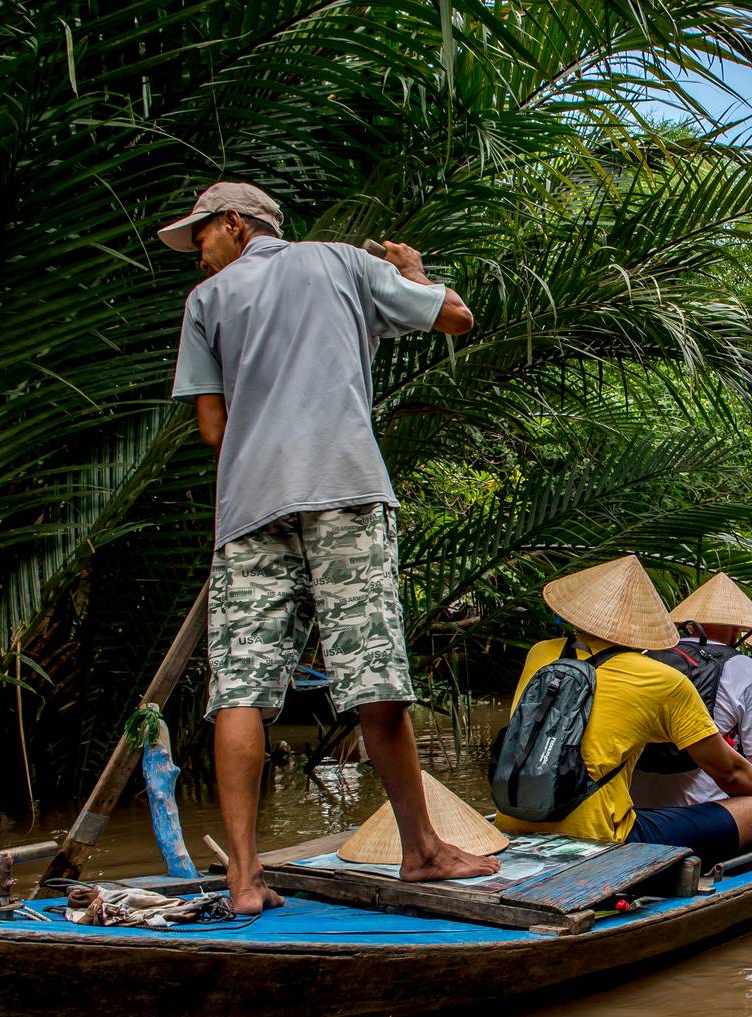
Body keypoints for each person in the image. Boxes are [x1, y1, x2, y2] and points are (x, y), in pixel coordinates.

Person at [161, 181, 501, 913]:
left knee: (241, 686)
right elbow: (455, 316)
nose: (198, 257)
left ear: (234, 224)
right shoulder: (341, 263)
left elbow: (214, 432)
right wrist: (409, 271)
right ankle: (424, 850)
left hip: (249, 507)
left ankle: (245, 875)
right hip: (342, 486)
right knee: (373, 669)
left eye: (201, 240)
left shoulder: (207, 305)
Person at [496, 556, 752, 865]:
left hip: (514, 815)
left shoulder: (542, 654)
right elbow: (732, 772)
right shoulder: (659, 679)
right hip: (602, 836)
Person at [630, 572, 752, 813]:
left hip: (636, 806)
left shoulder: (646, 655)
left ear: (689, 623)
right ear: (738, 627)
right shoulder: (742, 667)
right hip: (707, 809)